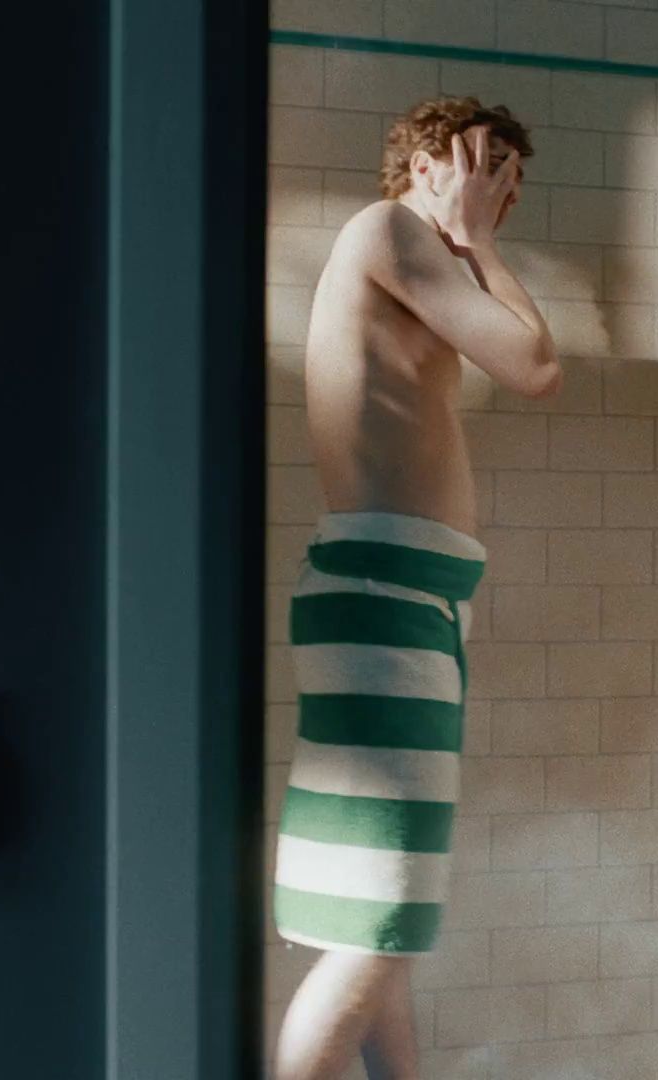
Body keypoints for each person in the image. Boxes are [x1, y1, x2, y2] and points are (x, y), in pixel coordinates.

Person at [271, 96, 559, 1080]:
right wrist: (479, 241)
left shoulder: (408, 255)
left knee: (376, 929)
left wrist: (474, 240)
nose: (497, 197)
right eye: (483, 169)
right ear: (427, 164)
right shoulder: (387, 230)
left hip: (399, 596)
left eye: (509, 185)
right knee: (375, 929)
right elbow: (533, 364)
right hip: (386, 596)